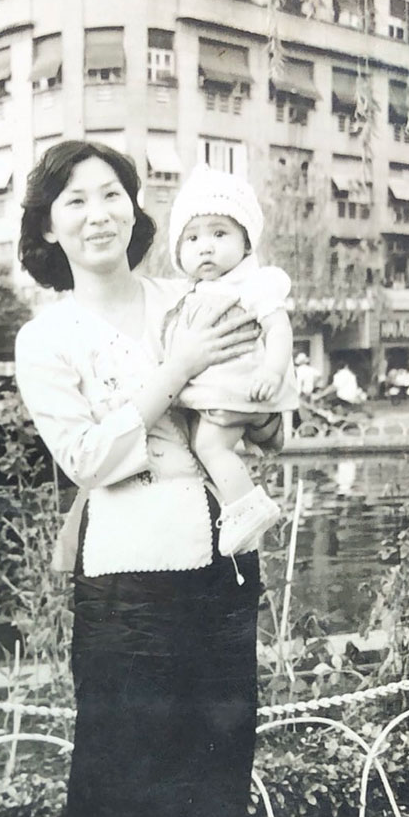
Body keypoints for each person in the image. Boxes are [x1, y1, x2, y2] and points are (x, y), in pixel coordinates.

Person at [15, 141, 264, 817]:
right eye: (75, 200)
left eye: (112, 193)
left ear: (135, 208)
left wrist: (248, 399)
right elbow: (92, 456)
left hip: (217, 556)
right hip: (124, 571)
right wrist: (179, 368)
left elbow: (253, 389)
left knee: (213, 769)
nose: (99, 212)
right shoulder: (47, 337)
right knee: (119, 774)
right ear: (49, 226)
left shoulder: (188, 296)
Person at [161, 165, 298, 556]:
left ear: (247, 244)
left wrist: (273, 370)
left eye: (220, 234)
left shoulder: (253, 284)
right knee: (202, 442)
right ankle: (238, 505)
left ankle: (247, 507)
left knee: (210, 445)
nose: (205, 246)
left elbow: (278, 329)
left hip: (241, 385)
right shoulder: (192, 294)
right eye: (192, 238)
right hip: (218, 392)